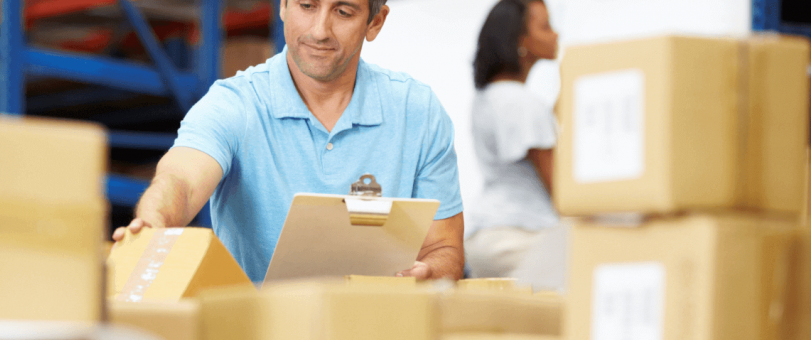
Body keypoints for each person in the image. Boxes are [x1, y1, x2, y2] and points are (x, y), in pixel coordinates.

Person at [112, 0, 464, 282]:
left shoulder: (417, 111)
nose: (319, 30)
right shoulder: (235, 103)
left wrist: (428, 273)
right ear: (282, 6)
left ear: (375, 22)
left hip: (373, 332)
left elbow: (444, 248)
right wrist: (154, 224)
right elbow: (181, 181)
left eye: (343, 11)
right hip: (261, 339)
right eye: (306, 6)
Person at [464, 0, 559, 278]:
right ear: (521, 40)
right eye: (545, 27)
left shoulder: (489, 96)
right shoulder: (521, 102)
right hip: (521, 236)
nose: (556, 34)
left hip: (488, 233)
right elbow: (561, 189)